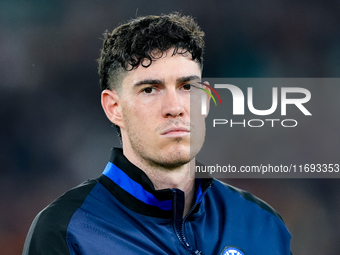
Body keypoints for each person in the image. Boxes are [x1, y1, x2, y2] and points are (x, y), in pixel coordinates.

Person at [23, 13, 291, 255]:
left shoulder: (262, 224)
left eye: (187, 87)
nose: (174, 108)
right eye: (150, 89)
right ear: (114, 108)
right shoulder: (67, 232)